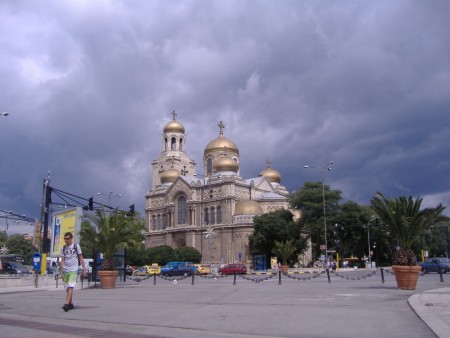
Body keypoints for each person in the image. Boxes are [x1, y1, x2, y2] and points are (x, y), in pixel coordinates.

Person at [60, 232, 87, 312]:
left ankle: (66, 304)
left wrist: (84, 269)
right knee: (67, 287)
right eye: (65, 238)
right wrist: (61, 270)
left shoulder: (76, 246)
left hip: (73, 269)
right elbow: (62, 260)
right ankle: (71, 303)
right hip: (66, 269)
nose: (66, 240)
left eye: (67, 238)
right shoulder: (63, 248)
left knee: (71, 286)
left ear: (71, 238)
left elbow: (81, 258)